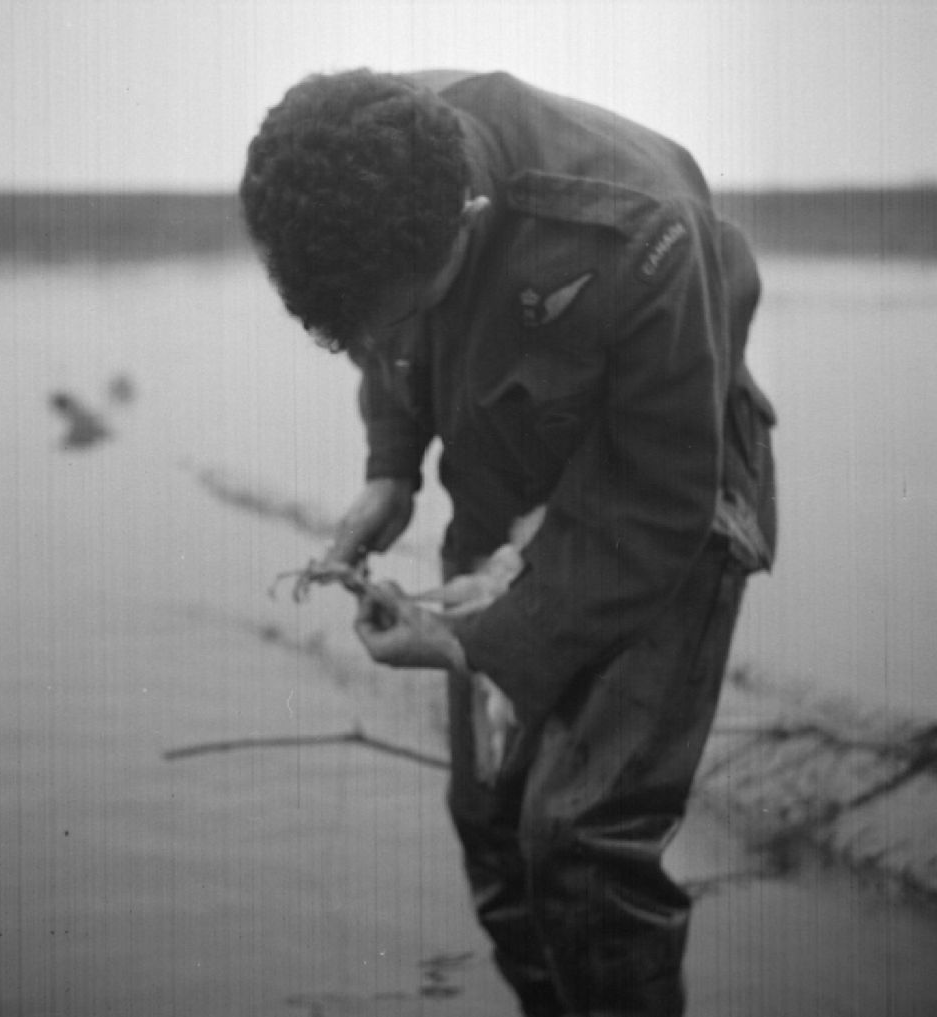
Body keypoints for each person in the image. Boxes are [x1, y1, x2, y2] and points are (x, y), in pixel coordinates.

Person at [239, 68, 777, 1017]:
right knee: (490, 822)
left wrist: (470, 641)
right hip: (504, 470)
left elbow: (661, 500)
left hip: (666, 494)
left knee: (581, 839)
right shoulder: (350, 175)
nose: (379, 341)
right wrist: (391, 468)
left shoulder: (640, 224)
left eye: (402, 311)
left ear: (470, 217)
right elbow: (385, 341)